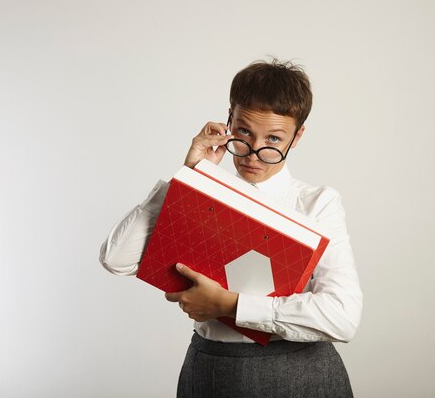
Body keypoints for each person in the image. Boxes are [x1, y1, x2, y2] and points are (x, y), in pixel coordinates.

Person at [99, 59, 363, 397]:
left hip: (298, 374)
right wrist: (188, 176)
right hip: (210, 368)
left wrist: (230, 305)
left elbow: (343, 317)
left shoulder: (316, 204)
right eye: (243, 133)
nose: (253, 153)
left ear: (297, 137)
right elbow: (116, 260)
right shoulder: (202, 193)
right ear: (228, 122)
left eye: (274, 139)